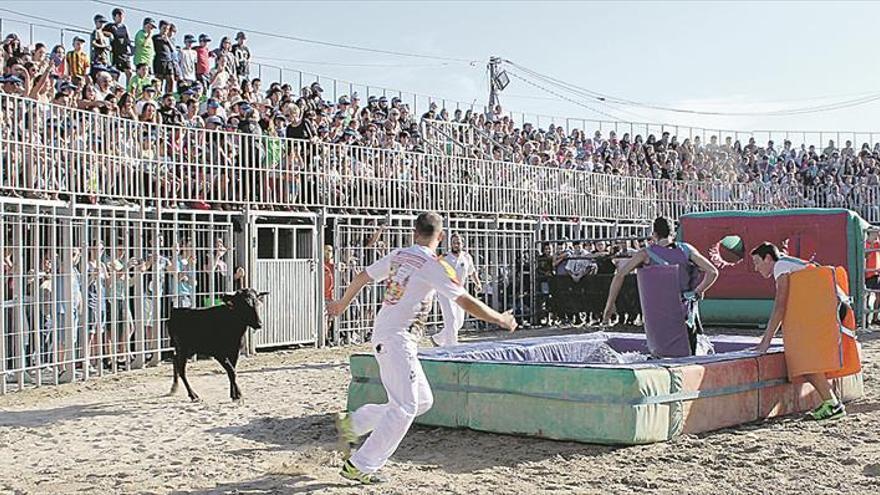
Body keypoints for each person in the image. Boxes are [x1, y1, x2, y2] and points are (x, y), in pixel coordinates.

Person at [328, 212, 517, 485]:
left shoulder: (399, 254)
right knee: (406, 406)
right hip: (397, 340)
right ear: (440, 237)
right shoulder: (435, 264)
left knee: (422, 401)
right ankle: (361, 464)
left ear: (414, 232)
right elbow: (464, 300)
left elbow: (362, 276)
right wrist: (500, 318)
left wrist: (342, 304)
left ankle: (355, 423)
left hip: (388, 336)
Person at [750, 242, 846, 421]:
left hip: (827, 306)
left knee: (806, 361)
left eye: (757, 262)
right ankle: (831, 401)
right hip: (830, 305)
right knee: (807, 361)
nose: (756, 268)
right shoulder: (789, 264)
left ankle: (833, 404)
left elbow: (780, 306)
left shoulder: (780, 266)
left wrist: (765, 342)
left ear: (768, 258)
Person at [602, 217, 718, 354]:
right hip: (685, 312)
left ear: (654, 234)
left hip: (659, 313)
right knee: (688, 355)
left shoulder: (646, 254)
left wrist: (609, 307)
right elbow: (712, 272)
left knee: (661, 354)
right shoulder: (687, 250)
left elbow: (619, 275)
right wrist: (698, 291)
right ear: (673, 233)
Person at [432, 233, 482, 346]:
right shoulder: (445, 258)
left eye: (458, 242)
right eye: (454, 242)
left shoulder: (467, 257)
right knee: (452, 320)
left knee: (459, 322)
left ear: (462, 244)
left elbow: (472, 272)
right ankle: (452, 347)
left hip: (459, 291)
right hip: (445, 291)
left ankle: (438, 339)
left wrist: (477, 283)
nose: (456, 245)